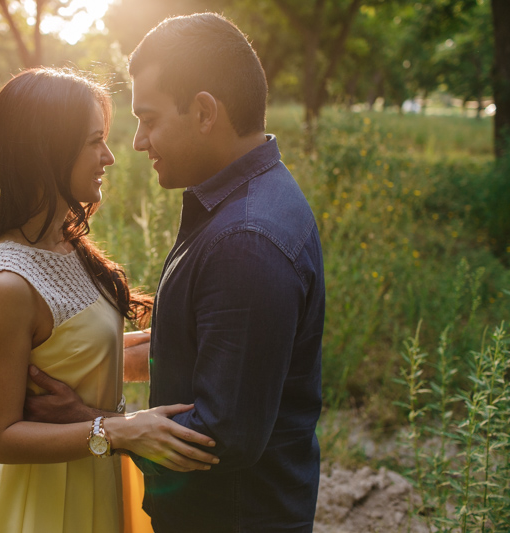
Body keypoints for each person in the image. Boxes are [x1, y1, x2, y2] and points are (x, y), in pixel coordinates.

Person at [25, 13, 325, 533]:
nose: (138, 142)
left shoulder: (246, 240)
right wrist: (86, 360)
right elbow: (194, 345)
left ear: (205, 111)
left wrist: (90, 423)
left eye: (150, 118)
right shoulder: (243, 202)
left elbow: (218, 434)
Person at [0, 68, 219, 533]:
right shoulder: (7, 285)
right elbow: (1, 438)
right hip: (43, 499)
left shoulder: (66, 244)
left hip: (95, 471)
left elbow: (83, 353)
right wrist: (119, 430)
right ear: (46, 151)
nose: (110, 157)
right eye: (93, 142)